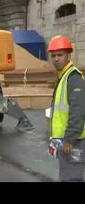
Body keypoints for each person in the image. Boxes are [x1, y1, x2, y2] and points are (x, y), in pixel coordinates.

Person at [47, 35, 85, 182]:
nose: (56, 59)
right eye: (54, 55)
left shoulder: (73, 78)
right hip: (65, 141)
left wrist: (69, 139)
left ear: (69, 55)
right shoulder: (63, 76)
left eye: (60, 55)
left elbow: (78, 110)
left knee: (71, 178)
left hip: (73, 141)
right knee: (67, 176)